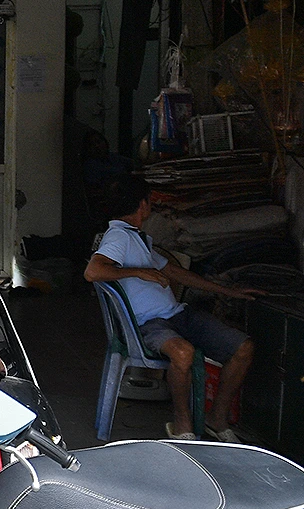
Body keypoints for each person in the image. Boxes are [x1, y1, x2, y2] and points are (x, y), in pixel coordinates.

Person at [84, 175, 262, 441]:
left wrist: (229, 291)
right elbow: (93, 271)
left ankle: (217, 417)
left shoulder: (138, 239)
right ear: (142, 205)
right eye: (150, 201)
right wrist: (140, 272)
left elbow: (177, 273)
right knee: (182, 352)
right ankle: (182, 424)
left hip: (178, 315)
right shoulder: (119, 236)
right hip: (148, 324)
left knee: (243, 347)